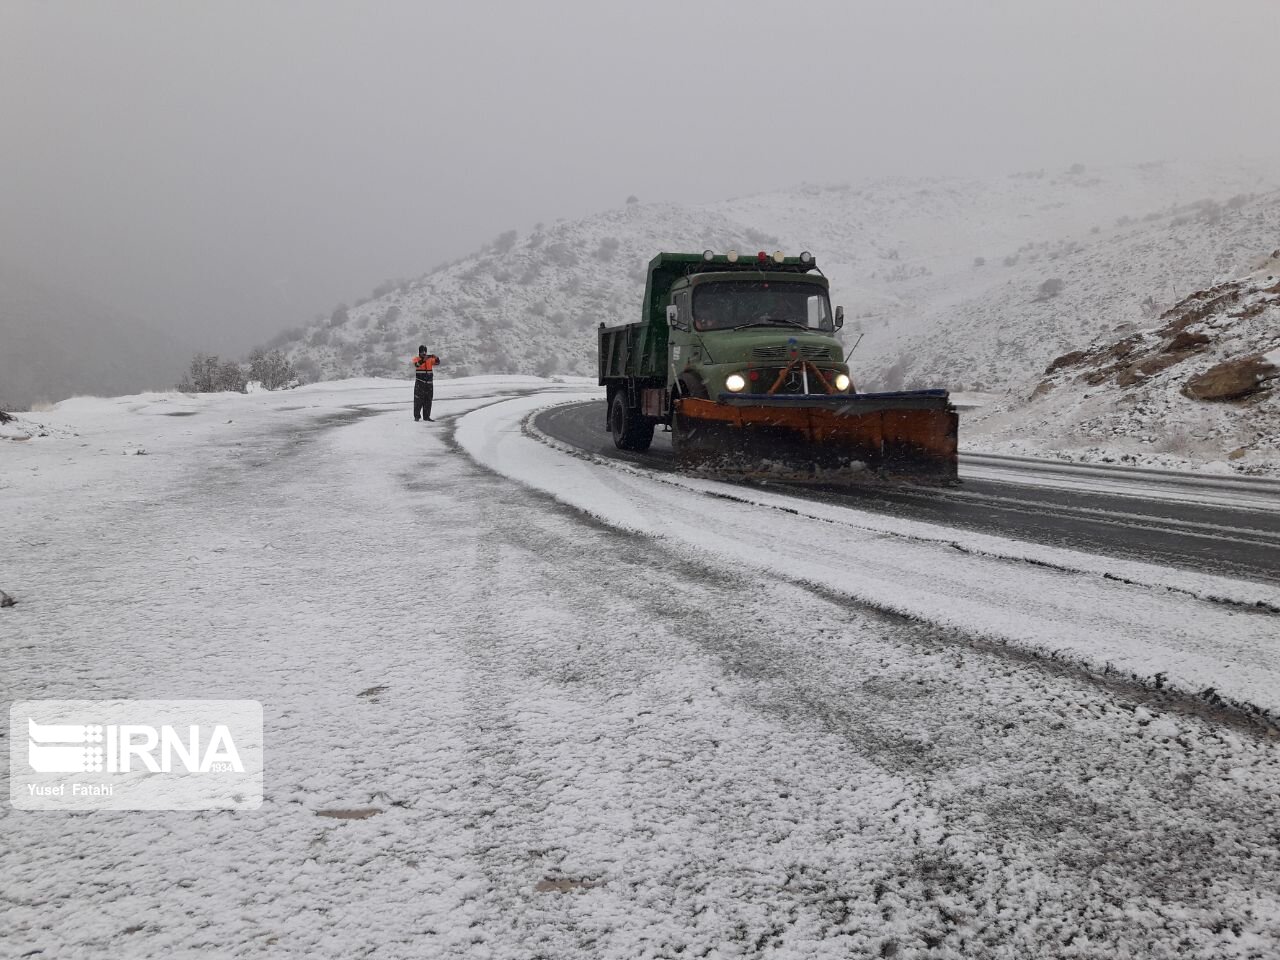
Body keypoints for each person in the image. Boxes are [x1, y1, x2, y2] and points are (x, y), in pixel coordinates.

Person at [411, 345, 441, 421]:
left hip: (429, 383)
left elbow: (437, 362)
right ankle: (417, 416)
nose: (424, 353)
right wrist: (423, 360)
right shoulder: (416, 359)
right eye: (422, 352)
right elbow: (416, 364)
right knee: (418, 400)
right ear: (419, 352)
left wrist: (436, 357)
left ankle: (426, 417)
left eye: (425, 352)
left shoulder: (430, 359)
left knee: (428, 400)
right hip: (420, 383)